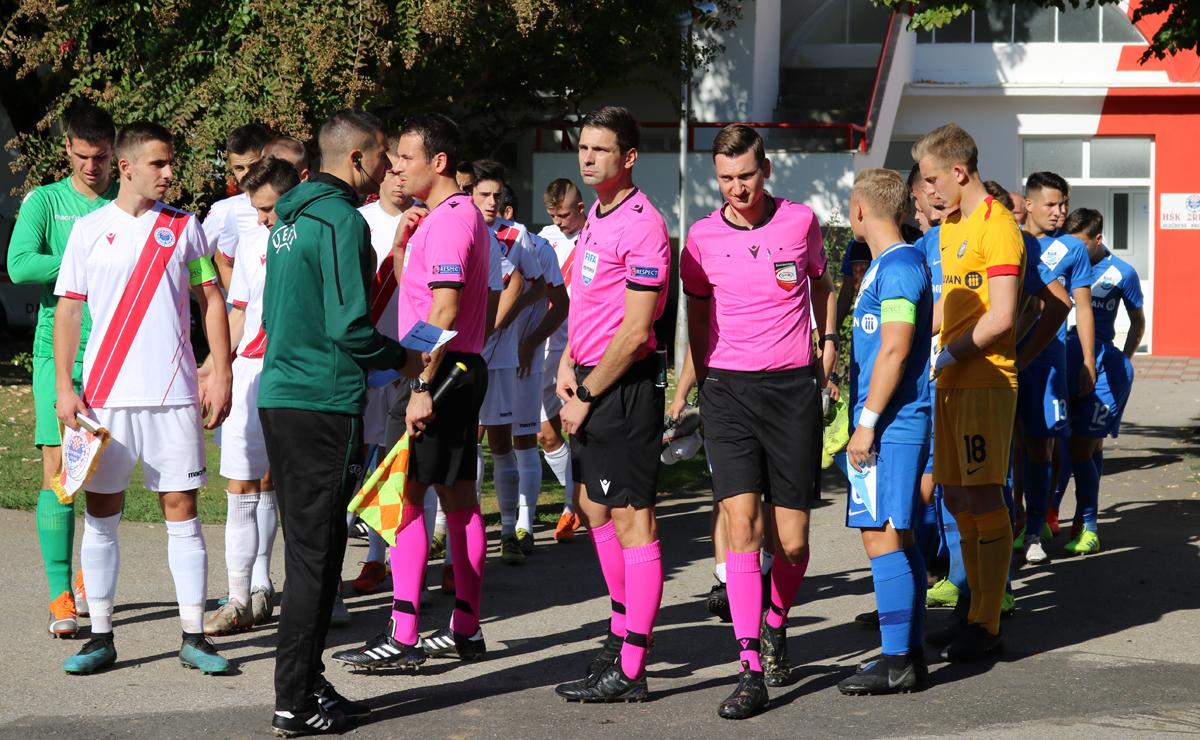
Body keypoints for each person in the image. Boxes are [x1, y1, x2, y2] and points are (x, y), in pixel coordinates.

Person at [257, 109, 424, 735]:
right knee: (315, 557)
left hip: (284, 396)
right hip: (320, 403)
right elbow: (350, 327)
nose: (389, 166)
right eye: (382, 155)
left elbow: (276, 316)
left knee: (314, 551)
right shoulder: (340, 220)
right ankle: (293, 703)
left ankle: (308, 681)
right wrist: (403, 358)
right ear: (356, 158)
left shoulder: (288, 220)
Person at [52, 120, 233, 675]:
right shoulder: (89, 230)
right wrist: (64, 388)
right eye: (159, 163)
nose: (169, 172)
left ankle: (193, 637)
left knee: (183, 513)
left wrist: (220, 370)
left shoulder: (185, 227)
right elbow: (69, 310)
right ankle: (101, 637)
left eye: (170, 161)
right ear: (126, 166)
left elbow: (210, 298)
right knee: (101, 514)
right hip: (104, 400)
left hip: (173, 395)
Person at [679, 124, 832, 717]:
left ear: (765, 169)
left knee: (791, 543)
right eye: (725, 179)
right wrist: (701, 381)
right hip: (729, 392)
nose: (736, 189)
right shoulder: (701, 238)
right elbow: (696, 314)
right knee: (741, 525)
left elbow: (823, 284)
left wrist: (827, 346)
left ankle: (774, 621)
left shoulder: (800, 222)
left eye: (745, 176)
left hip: (791, 390)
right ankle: (748, 669)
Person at [332, 113, 492, 670]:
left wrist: (421, 381)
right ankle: (465, 628)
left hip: (441, 373)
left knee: (408, 498)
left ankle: (403, 636)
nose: (395, 166)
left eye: (405, 156)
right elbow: (423, 294)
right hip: (457, 369)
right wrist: (403, 248)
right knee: (459, 501)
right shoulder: (451, 216)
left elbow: (443, 311)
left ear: (438, 162)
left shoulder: (451, 220)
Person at [552, 106, 670, 704]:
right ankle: (620, 632)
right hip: (589, 379)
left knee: (632, 519)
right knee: (593, 508)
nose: (588, 157)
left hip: (622, 388)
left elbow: (635, 330)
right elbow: (591, 305)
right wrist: (568, 360)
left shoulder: (644, 224)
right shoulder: (596, 215)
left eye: (601, 149)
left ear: (629, 157)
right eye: (583, 147)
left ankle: (632, 665)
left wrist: (588, 393)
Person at [7, 101, 117, 638]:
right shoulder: (46, 201)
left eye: (101, 157)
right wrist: (83, 257)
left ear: (115, 153)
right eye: (82, 156)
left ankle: (87, 575)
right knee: (59, 469)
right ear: (67, 148)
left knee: (105, 472)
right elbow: (18, 264)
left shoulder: (129, 202)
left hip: (117, 351)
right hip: (62, 351)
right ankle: (59, 593)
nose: (91, 167)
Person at [915, 123, 1023, 662]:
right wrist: (910, 336)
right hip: (951, 381)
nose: (928, 191)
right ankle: (970, 608)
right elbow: (950, 305)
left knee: (983, 496)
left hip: (985, 380)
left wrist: (952, 353)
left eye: (933, 180)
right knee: (955, 496)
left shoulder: (998, 226)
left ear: (958, 172)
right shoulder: (951, 226)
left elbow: (1002, 317)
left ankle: (987, 620)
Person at [838, 168, 933, 695]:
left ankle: (896, 661)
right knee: (899, 534)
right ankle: (908, 654)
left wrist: (867, 424)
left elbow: (895, 348)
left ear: (859, 210)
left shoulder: (898, 266)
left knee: (881, 536)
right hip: (890, 422)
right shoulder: (890, 264)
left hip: (892, 425)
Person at [202, 156, 302, 636]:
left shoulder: (319, 236)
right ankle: (241, 597)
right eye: (256, 209)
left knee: (282, 485)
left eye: (267, 208)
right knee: (242, 483)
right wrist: (215, 367)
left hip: (299, 374)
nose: (261, 219)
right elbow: (239, 312)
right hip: (251, 370)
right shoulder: (251, 240)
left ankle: (302, 591)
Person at [1015, 171, 1095, 564]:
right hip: (1004, 360)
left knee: (1040, 445)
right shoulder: (1011, 240)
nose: (1059, 212)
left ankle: (1034, 529)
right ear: (1029, 204)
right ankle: (1009, 522)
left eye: (1063, 204)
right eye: (1051, 204)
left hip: (1049, 362)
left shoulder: (1072, 248)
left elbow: (1082, 306)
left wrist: (1087, 359)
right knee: (1008, 446)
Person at [469, 160, 545, 563]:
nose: (492, 202)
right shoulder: (460, 229)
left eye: (497, 195)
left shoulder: (516, 235)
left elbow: (533, 284)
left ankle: (509, 530)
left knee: (500, 442)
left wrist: (498, 326)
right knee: (467, 441)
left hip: (499, 357)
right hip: (463, 353)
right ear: (470, 195)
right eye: (484, 194)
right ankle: (454, 529)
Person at [349, 145, 415, 595]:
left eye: (403, 171)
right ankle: (373, 558)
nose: (397, 179)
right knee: (366, 464)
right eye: (390, 171)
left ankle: (408, 559)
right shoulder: (359, 220)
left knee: (408, 469)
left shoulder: (429, 220)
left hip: (410, 359)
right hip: (368, 360)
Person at [1062, 207, 1144, 554]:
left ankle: (1089, 526)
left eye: (1081, 244)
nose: (1074, 250)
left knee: (1082, 447)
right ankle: (1062, 519)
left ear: (1098, 239)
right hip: (1065, 362)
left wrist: (1122, 359)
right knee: (1084, 447)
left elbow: (1138, 321)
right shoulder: (1063, 263)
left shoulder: (1122, 272)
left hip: (1105, 371)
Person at [506, 184, 568, 553]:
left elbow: (559, 301)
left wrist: (530, 343)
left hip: (532, 357)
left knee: (530, 437)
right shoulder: (473, 240)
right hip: (485, 358)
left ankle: (525, 526)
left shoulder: (538, 246)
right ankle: (446, 529)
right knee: (475, 438)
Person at [537, 178, 587, 542]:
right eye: (553, 215)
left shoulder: (596, 235)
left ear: (580, 209)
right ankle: (575, 501)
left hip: (580, 349)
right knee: (545, 433)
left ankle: (577, 507)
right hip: (544, 348)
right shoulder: (544, 237)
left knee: (579, 430)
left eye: (565, 215)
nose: (558, 222)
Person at [204, 123, 271, 291]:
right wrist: (218, 297)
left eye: (254, 166)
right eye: (239, 168)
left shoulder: (291, 200)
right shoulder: (223, 211)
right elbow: (196, 258)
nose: (247, 174)